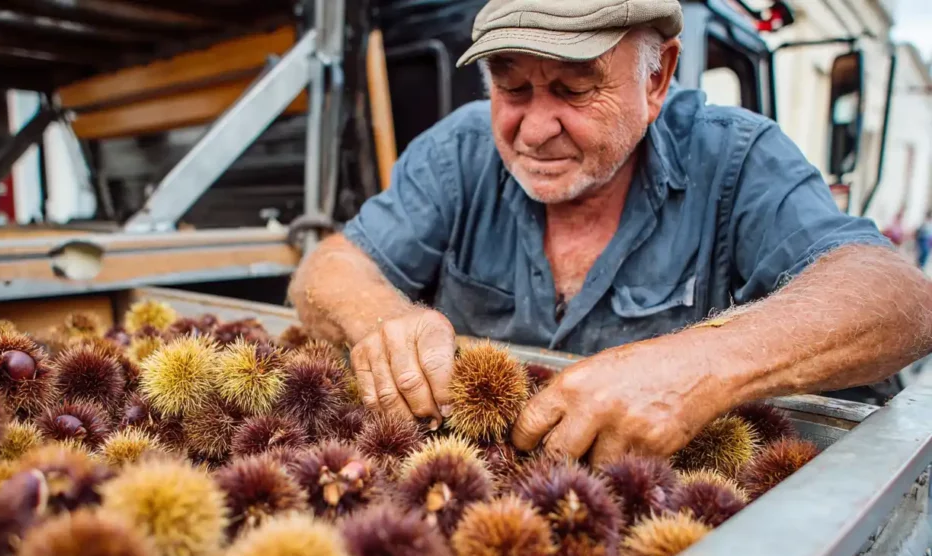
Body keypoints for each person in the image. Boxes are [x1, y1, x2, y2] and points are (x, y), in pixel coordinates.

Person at [289, 0, 932, 464]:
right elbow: (330, 266)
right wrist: (381, 319)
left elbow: (896, 297)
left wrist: (700, 364)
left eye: (573, 90)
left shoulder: (734, 158)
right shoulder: (458, 151)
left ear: (656, 78)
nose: (535, 129)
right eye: (512, 88)